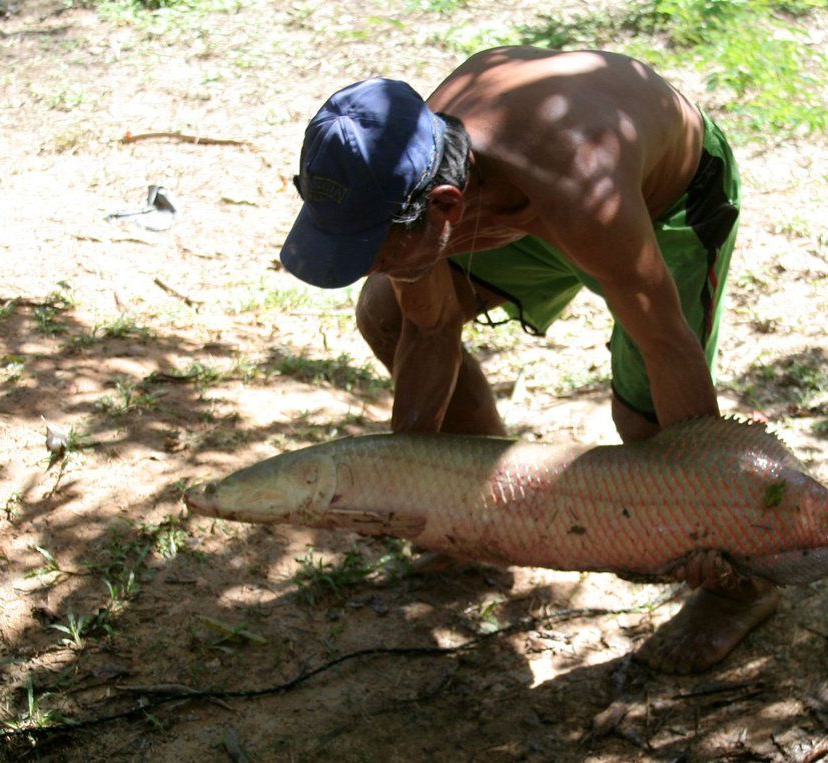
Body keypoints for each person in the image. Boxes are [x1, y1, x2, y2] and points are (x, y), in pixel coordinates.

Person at [279, 46, 777, 674]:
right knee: (388, 313)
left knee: (654, 436)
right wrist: (408, 482)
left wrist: (698, 513)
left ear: (445, 208)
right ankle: (482, 518)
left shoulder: (579, 182)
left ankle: (743, 588)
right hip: (521, 207)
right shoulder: (404, 163)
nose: (367, 264)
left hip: (659, 202)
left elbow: (666, 345)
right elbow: (430, 328)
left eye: (375, 249)